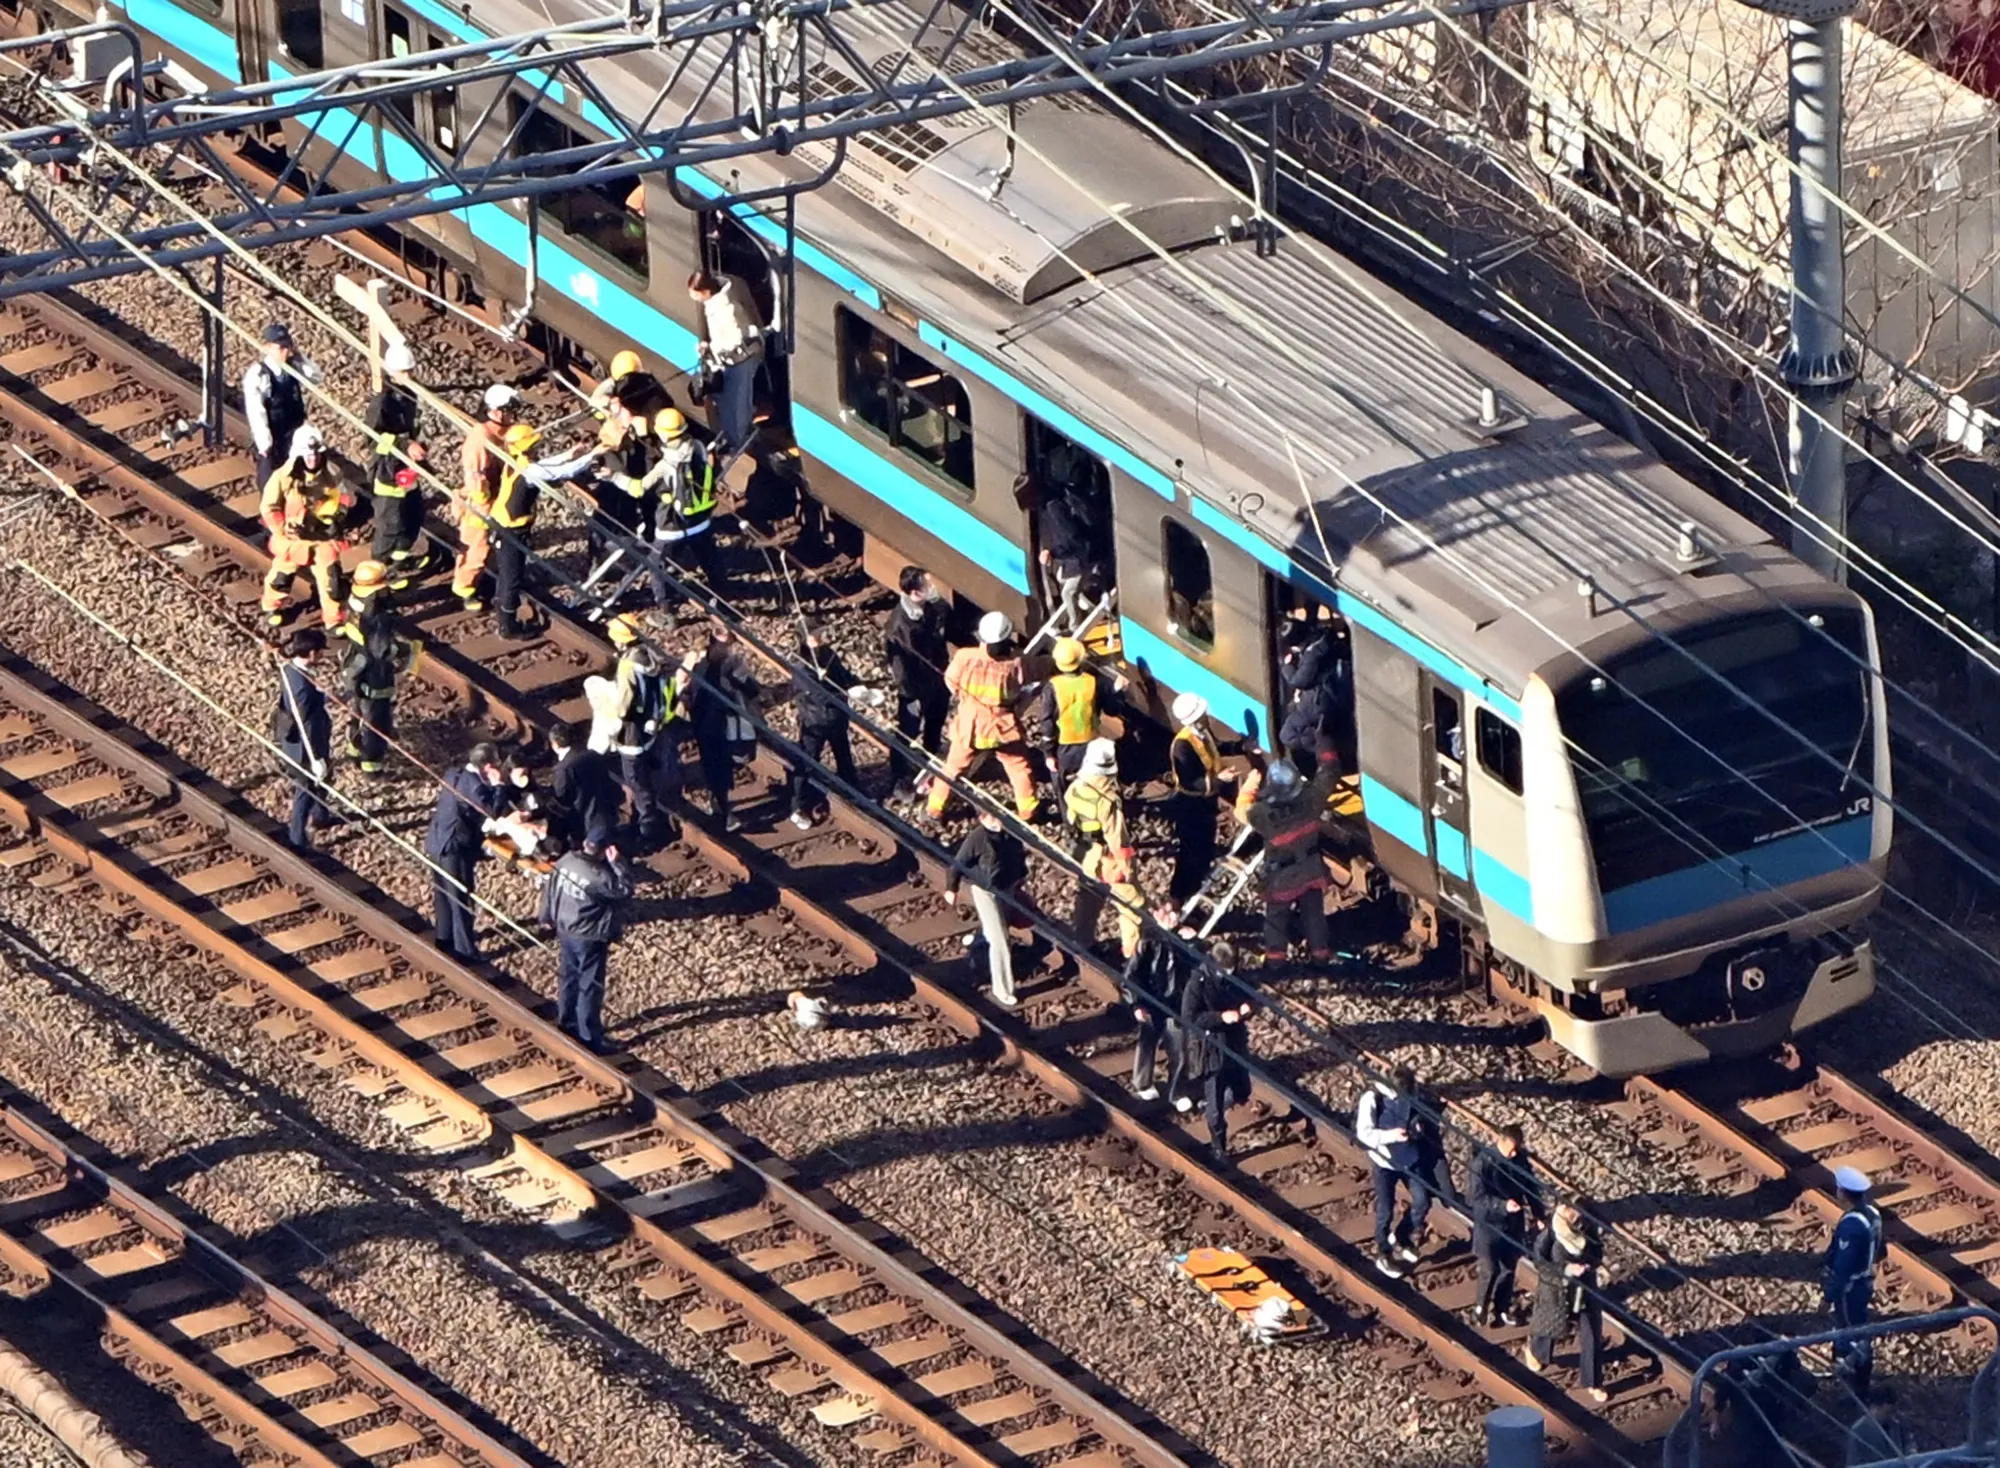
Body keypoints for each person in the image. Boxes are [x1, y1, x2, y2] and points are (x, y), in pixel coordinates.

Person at [489, 421, 596, 640]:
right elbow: (560, 472)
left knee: (508, 574)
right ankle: (508, 627)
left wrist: (571, 453)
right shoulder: (528, 469)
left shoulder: (516, 461)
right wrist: (591, 456)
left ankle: (503, 609)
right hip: (511, 531)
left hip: (504, 525)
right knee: (511, 577)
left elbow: (546, 464)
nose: (536, 448)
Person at [928, 610, 1039, 823]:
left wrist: (967, 699)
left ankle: (935, 808)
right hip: (1001, 728)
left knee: (952, 768)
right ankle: (1028, 811)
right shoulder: (1016, 664)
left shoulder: (964, 657)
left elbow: (951, 681)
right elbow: (1032, 677)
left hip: (970, 727)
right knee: (1018, 767)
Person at [1244, 750, 1342, 967]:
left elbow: (1243, 810)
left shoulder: (1263, 815)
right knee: (1313, 912)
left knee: (1276, 916)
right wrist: (1326, 751)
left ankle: (1276, 961)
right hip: (1311, 868)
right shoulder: (1312, 799)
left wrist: (1252, 782)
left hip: (1283, 876)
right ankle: (1320, 955)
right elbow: (1328, 776)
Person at [539, 837, 633, 1053]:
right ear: (604, 851)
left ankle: (566, 1021)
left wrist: (545, 916)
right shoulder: (599, 876)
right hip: (590, 936)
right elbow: (625, 890)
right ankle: (589, 1036)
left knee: (568, 977)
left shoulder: (567, 861)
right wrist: (618, 863)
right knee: (590, 985)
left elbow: (550, 887)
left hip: (565, 928)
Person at [259, 425, 357, 628]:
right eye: (307, 455)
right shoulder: (282, 478)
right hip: (293, 540)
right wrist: (281, 528)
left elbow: (344, 497)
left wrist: (337, 519)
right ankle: (271, 606)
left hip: (322, 538)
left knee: (332, 581)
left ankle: (334, 620)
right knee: (281, 576)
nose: (312, 459)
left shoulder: (332, 474)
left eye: (316, 454)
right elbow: (269, 507)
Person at [606, 614, 681, 850]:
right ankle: (656, 805)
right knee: (651, 771)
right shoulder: (651, 655)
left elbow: (623, 705)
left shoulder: (628, 665)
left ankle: (649, 828)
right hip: (653, 725)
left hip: (633, 734)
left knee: (636, 780)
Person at [425, 741, 504, 962]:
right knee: (461, 897)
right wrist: (499, 787)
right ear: (487, 767)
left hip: (436, 840)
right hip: (454, 848)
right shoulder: (475, 786)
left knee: (442, 893)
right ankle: (465, 950)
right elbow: (492, 811)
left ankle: (445, 938)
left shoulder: (454, 773)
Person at [1355, 1065, 1435, 1278]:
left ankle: (1402, 1235)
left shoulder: (1411, 1093)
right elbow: (1364, 1134)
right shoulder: (1372, 1098)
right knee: (1385, 1209)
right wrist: (1391, 1136)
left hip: (1409, 1158)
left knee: (1423, 1200)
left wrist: (1417, 1128)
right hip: (1384, 1161)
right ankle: (1383, 1251)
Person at [1523, 1201, 1607, 1403]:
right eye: (1575, 1221)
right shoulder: (1548, 1237)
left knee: (1592, 1333)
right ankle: (1536, 1351)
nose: (1580, 1225)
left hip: (1584, 1288)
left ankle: (1593, 1382)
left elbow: (1597, 1252)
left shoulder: (1587, 1228)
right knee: (1550, 1325)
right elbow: (1542, 1265)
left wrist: (1588, 1265)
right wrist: (1568, 1270)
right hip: (1558, 1290)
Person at [337, 568, 418, 776]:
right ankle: (371, 764)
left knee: (357, 711)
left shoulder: (354, 602)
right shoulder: (378, 618)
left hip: (354, 665)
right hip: (375, 674)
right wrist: (405, 650)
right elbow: (381, 651)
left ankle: (354, 748)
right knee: (377, 720)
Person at [943, 806, 1026, 1007]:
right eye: (993, 816)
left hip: (1007, 888)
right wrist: (950, 889)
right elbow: (957, 864)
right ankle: (1003, 989)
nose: (999, 820)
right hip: (986, 892)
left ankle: (978, 942)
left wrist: (1020, 878)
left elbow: (1017, 855)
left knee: (999, 929)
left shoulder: (1010, 832)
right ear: (983, 818)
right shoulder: (977, 839)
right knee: (1001, 941)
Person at [363, 342, 431, 583]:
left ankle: (398, 560)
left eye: (410, 371)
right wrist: (405, 446)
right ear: (392, 371)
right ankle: (377, 572)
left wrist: (419, 447)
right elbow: (373, 440)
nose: (409, 376)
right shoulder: (382, 403)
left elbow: (413, 428)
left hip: (407, 471)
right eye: (404, 372)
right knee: (389, 526)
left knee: (412, 517)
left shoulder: (408, 395)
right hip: (388, 473)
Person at [1469, 1123, 1544, 1327]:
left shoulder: (1520, 1161)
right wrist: (1502, 1205)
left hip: (1512, 1222)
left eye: (1516, 1149)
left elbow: (1530, 1188)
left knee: (1509, 1268)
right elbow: (1476, 1197)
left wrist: (1539, 1214)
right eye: (1510, 1148)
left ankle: (1501, 1307)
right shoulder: (1482, 1163)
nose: (1513, 1153)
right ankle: (1480, 1306)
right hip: (1488, 1223)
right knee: (1490, 1268)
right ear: (1500, 1142)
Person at [788, 621, 861, 830]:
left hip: (836, 717)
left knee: (844, 756)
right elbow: (819, 694)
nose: (820, 637)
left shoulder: (827, 654)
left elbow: (843, 676)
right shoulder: (800, 664)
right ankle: (797, 805)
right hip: (814, 721)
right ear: (804, 638)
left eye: (820, 632)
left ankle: (853, 793)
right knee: (808, 761)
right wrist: (845, 694)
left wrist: (858, 686)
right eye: (815, 634)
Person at [885, 566, 950, 799]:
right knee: (908, 730)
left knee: (934, 725)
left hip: (936, 679)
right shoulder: (899, 625)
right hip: (915, 688)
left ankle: (928, 767)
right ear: (914, 592)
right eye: (926, 584)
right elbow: (900, 668)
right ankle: (899, 778)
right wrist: (913, 693)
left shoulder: (931, 609)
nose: (931, 587)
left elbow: (944, 624)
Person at [690, 623, 762, 831]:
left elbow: (751, 689)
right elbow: (696, 697)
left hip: (722, 723)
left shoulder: (728, 665)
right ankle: (722, 808)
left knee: (721, 766)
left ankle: (719, 802)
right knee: (717, 767)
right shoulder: (703, 667)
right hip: (712, 727)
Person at [453, 383, 517, 611]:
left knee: (488, 544)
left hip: (494, 495)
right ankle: (465, 588)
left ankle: (483, 576)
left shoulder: (500, 433)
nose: (513, 415)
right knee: (475, 547)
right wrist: (482, 505)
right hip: (480, 503)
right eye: (509, 410)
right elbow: (475, 475)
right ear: (496, 412)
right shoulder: (481, 439)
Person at [1122, 906, 1195, 1100]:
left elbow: (1195, 967)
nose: (1173, 918)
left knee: (1179, 1047)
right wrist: (1136, 1004)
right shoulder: (1148, 942)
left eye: (1174, 915)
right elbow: (1132, 976)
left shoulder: (1182, 941)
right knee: (1147, 1042)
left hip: (1175, 1003)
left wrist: (1193, 941)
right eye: (1168, 914)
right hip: (1151, 1001)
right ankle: (1142, 1083)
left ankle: (1178, 1092)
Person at [273, 630, 337, 850]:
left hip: (300, 739)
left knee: (322, 780)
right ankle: (297, 837)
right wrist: (315, 757)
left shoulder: (289, 669)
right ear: (311, 653)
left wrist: (322, 697)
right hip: (306, 746)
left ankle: (321, 815)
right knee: (306, 787)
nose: (321, 657)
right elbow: (303, 722)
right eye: (320, 653)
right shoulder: (301, 686)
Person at [689, 270, 766, 454]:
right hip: (734, 358)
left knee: (737, 401)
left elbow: (734, 339)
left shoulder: (726, 308)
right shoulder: (721, 294)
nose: (695, 299)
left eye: (696, 295)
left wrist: (710, 348)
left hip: (741, 359)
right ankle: (734, 434)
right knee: (732, 398)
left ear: (705, 291)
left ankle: (738, 441)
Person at [1167, 692, 1231, 907]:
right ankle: (1178, 896)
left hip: (1205, 804)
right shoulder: (1182, 746)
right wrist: (1219, 780)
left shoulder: (1202, 734)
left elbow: (1217, 748)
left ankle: (1194, 891)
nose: (1207, 716)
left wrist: (1242, 746)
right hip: (1190, 807)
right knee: (1190, 852)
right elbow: (1190, 782)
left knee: (1204, 847)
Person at [1065, 737, 1129, 948]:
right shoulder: (1106, 800)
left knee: (1087, 895)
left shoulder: (1076, 787)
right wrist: (1126, 863)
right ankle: (1131, 949)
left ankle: (1082, 937)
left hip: (1082, 848)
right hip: (1102, 855)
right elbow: (1116, 836)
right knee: (1130, 901)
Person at [1034, 637, 1127, 782]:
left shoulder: (1052, 687)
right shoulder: (1093, 681)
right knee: (1095, 779)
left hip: (1065, 746)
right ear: (1080, 660)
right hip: (1091, 740)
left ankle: (1065, 804)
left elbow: (1047, 723)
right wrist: (1117, 690)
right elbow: (1111, 709)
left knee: (1061, 780)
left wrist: (1049, 754)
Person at [1826, 1165, 1883, 1393]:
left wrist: (1830, 1294)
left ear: (1842, 1192)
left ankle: (1854, 1380)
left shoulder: (1851, 1225)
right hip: (1865, 1281)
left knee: (1848, 1330)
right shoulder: (1873, 1214)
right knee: (1858, 1326)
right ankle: (1856, 1374)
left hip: (1851, 1288)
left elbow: (1843, 1267)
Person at [647, 407, 719, 590]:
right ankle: (723, 592)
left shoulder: (664, 464)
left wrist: (613, 476)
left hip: (672, 525)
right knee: (709, 557)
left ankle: (665, 611)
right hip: (701, 517)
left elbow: (641, 489)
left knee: (656, 565)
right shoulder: (699, 447)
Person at [243, 322, 317, 489]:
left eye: (288, 347)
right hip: (275, 434)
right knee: (271, 482)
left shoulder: (293, 367)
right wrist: (265, 444)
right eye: (281, 348)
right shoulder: (259, 375)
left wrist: (300, 357)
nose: (285, 352)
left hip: (295, 430)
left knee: (300, 478)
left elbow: (316, 378)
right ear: (268, 348)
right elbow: (256, 412)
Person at [1184, 987, 1252, 1163]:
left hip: (1234, 1046)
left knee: (1242, 1091)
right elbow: (1191, 1017)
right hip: (1211, 1051)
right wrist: (1220, 1017)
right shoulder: (1198, 982)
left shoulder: (1231, 980)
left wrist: (1247, 1006)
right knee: (1215, 1108)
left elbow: (1246, 993)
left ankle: (1209, 1108)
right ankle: (1218, 1149)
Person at [546, 720, 621, 854]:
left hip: (583, 811)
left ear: (555, 745)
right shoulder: (589, 753)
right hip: (602, 801)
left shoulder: (563, 769)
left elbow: (562, 796)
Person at [1845, 1387, 1909, 1466]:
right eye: (1888, 1412)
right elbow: (1853, 1462)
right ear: (1876, 1406)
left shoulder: (1894, 1426)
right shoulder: (1859, 1430)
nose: (1891, 1416)